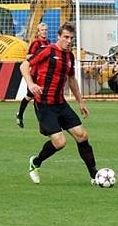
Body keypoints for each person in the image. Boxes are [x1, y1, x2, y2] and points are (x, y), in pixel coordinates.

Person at [20, 23, 99, 185]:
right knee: (60, 142)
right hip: (44, 104)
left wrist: (80, 102)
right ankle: (36, 162)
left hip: (61, 103)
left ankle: (94, 175)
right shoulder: (47, 51)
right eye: (66, 37)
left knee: (82, 135)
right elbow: (24, 65)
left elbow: (71, 79)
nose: (69, 41)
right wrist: (30, 84)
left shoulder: (70, 56)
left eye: (71, 38)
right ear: (59, 37)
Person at [16, 22, 50, 128]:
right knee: (32, 96)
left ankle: (42, 120)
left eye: (46, 30)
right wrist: (39, 56)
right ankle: (22, 115)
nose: (44, 32)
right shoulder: (36, 43)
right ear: (38, 32)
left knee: (37, 96)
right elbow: (28, 56)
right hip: (35, 74)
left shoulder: (48, 42)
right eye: (42, 30)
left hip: (44, 74)